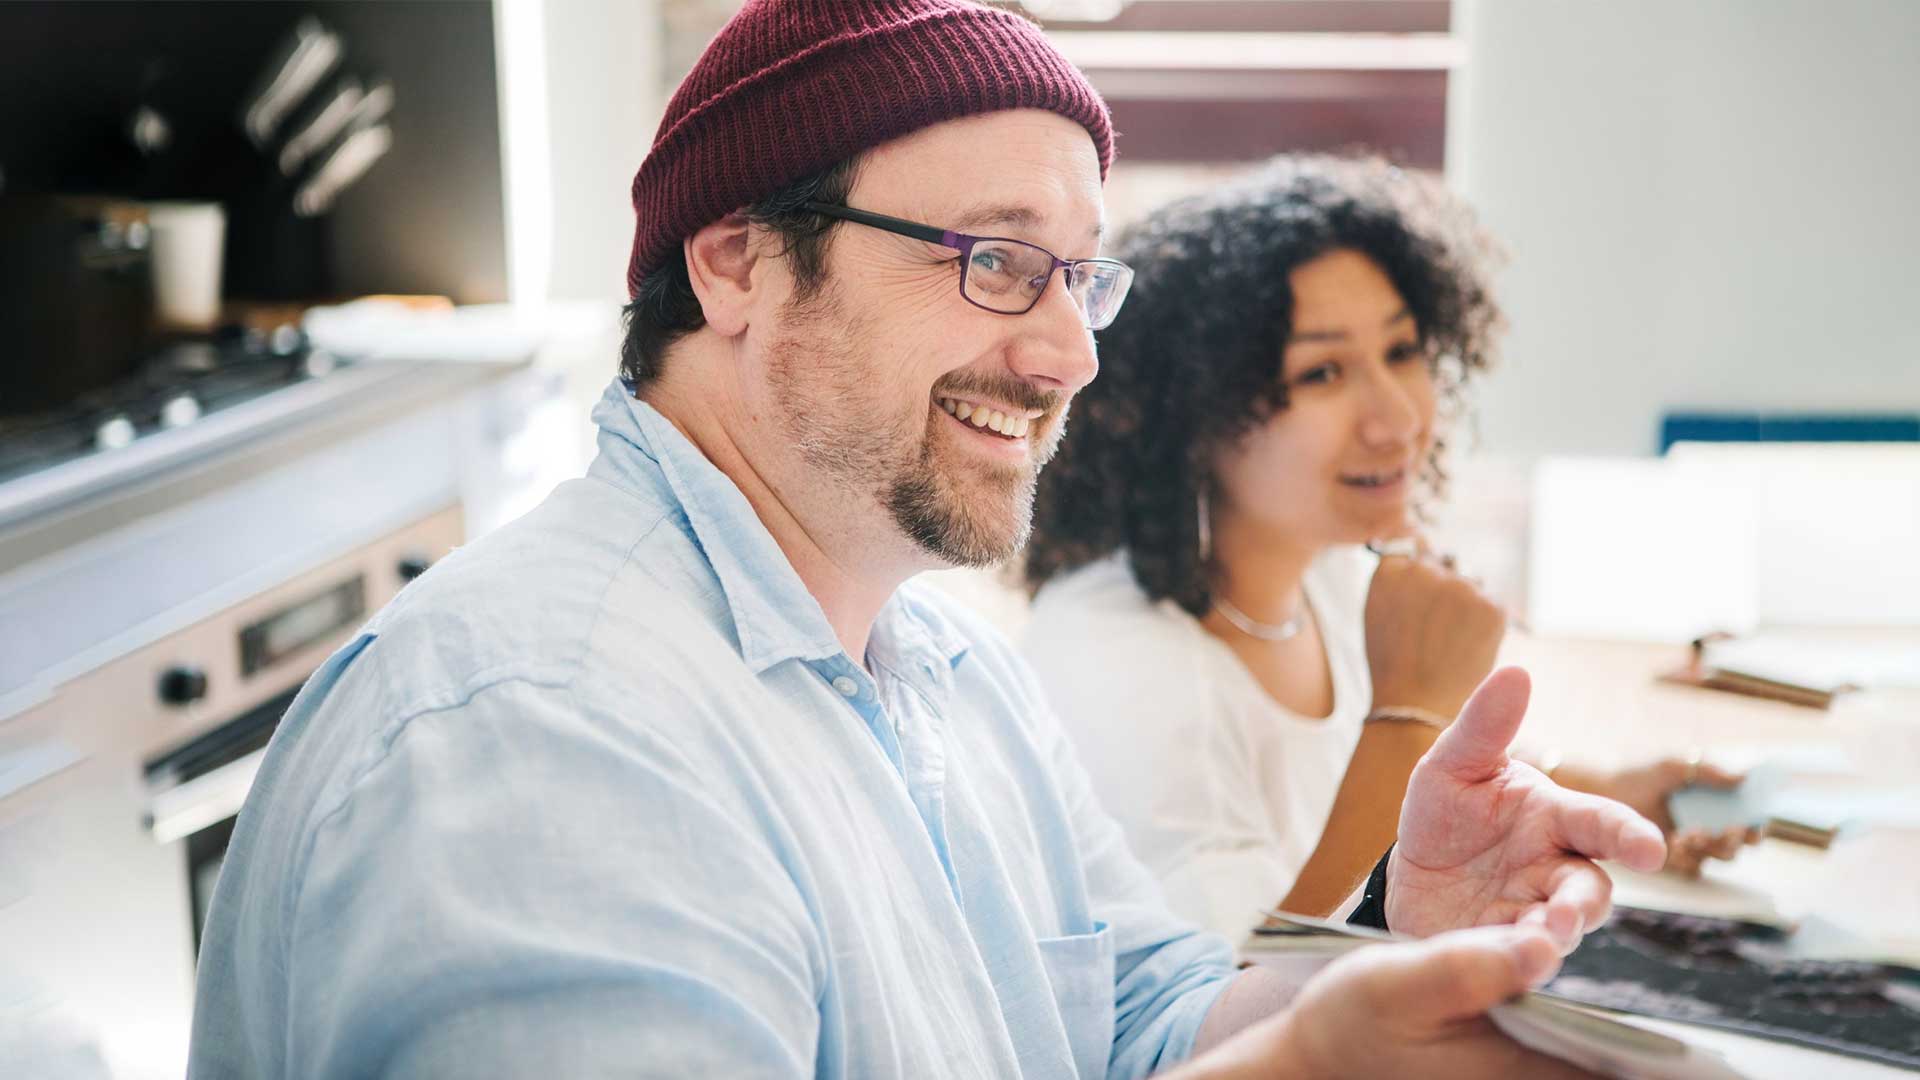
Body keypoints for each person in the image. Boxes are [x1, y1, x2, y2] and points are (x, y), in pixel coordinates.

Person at [187, 6, 1666, 1078]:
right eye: (999, 262)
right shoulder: (549, 739)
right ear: (737, 262)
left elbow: (1142, 1026)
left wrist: (1405, 946)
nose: (1071, 355)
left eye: (1083, 280)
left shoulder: (946, 662)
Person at [1023, 155, 1752, 938]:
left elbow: (1440, 775)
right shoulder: (1121, 663)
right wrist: (1412, 706)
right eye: (1325, 371)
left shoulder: (1329, 571)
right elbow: (1240, 1000)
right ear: (1194, 412)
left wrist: (1608, 792)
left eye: (1403, 353)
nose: (1397, 418)